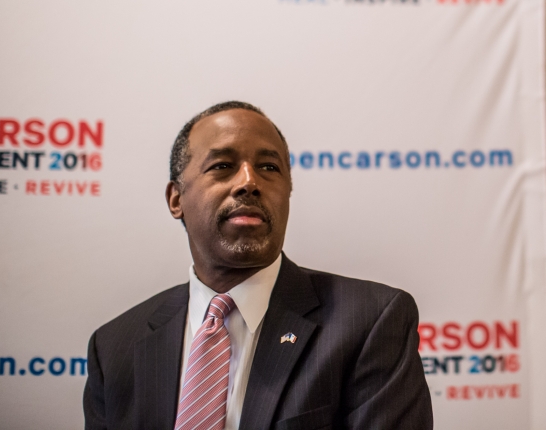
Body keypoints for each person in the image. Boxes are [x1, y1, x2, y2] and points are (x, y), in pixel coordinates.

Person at [83, 101, 433, 430]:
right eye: (222, 166)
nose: (249, 182)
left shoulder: (369, 321)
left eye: (269, 168)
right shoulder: (114, 346)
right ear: (176, 199)